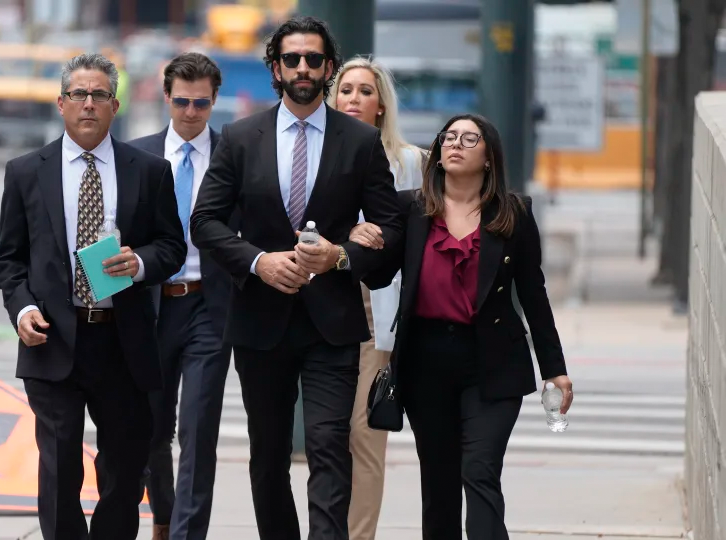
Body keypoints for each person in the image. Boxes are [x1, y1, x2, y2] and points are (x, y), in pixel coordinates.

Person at [189, 16, 404, 540]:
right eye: (292, 59)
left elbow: (390, 228)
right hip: (261, 321)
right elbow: (205, 221)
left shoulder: (358, 141)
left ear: (328, 69)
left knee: (330, 445)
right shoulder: (241, 138)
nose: (303, 68)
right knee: (268, 454)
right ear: (275, 69)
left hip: (332, 322)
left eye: (313, 59)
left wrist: (342, 255)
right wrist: (259, 261)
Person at [0, 53, 186, 540]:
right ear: (60, 103)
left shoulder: (149, 171)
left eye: (99, 95)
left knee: (124, 469)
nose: (88, 104)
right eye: (78, 94)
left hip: (123, 341)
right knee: (59, 468)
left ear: (114, 105)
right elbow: (10, 260)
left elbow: (171, 246)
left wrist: (139, 263)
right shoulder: (24, 172)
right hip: (53, 339)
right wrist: (24, 309)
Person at [358, 113, 574, 540]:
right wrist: (365, 241)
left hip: (492, 361)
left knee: (479, 472)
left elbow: (534, 293)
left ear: (489, 157)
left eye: (468, 139)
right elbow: (380, 275)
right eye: (449, 137)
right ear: (438, 153)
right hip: (425, 362)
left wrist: (555, 367)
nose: (455, 144)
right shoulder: (410, 208)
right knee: (438, 485)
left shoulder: (514, 213)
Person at [127, 52, 235, 540]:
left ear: (214, 101)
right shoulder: (137, 156)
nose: (191, 112)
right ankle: (165, 517)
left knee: (198, 428)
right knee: (151, 429)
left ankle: (189, 534)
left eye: (202, 103)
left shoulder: (235, 155)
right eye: (182, 101)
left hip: (209, 307)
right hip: (150, 306)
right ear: (166, 97)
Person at [326, 55, 426, 540]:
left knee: (365, 438)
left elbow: (424, 245)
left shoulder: (409, 163)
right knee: (326, 438)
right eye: (346, 90)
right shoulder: (314, 152)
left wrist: (385, 234)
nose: (355, 99)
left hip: (376, 312)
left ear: (382, 105)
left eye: (366, 91)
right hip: (320, 309)